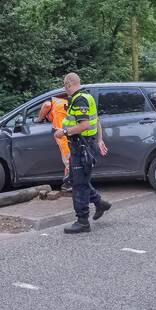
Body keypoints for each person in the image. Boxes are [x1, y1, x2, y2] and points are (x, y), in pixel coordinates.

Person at [56, 73, 111, 234]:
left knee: (79, 185)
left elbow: (85, 125)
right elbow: (97, 120)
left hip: (82, 147)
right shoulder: (87, 97)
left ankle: (82, 222)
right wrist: (100, 140)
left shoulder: (80, 99)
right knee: (74, 179)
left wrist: (64, 132)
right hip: (84, 145)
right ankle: (100, 203)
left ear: (68, 84)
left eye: (64, 86)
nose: (65, 90)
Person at [37, 95, 71, 191]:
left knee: (67, 157)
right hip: (68, 128)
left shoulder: (49, 102)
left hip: (61, 130)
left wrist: (39, 119)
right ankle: (67, 183)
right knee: (68, 157)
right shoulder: (60, 101)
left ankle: (69, 183)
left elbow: (47, 105)